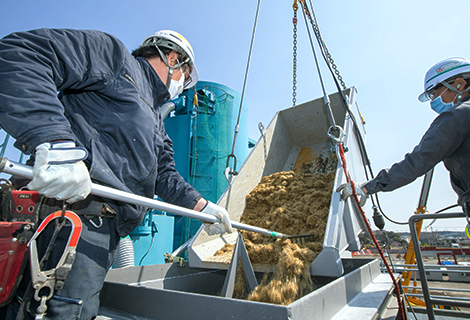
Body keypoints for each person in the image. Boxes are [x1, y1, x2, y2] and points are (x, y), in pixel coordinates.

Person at [0, 28, 232, 319]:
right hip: (67, 216)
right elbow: (21, 52)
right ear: (173, 59)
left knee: (74, 310)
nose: (182, 85)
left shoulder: (156, 119)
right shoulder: (115, 58)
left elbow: (165, 176)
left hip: (102, 231)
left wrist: (204, 209)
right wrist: (54, 140)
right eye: (185, 77)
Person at [337, 57, 470, 221]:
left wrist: (367, 187)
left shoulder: (457, 116)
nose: (434, 101)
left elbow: (418, 161)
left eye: (435, 94)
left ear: (459, 84)